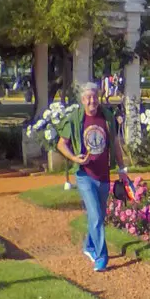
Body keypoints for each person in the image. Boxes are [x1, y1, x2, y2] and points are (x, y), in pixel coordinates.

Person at [56, 82, 128, 272]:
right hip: (84, 175)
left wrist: (122, 168)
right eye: (88, 97)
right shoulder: (75, 119)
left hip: (104, 175)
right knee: (95, 216)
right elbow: (61, 144)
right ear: (82, 100)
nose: (92, 101)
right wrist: (73, 157)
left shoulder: (107, 117)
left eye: (94, 97)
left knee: (99, 216)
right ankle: (101, 257)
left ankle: (89, 245)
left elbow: (115, 143)